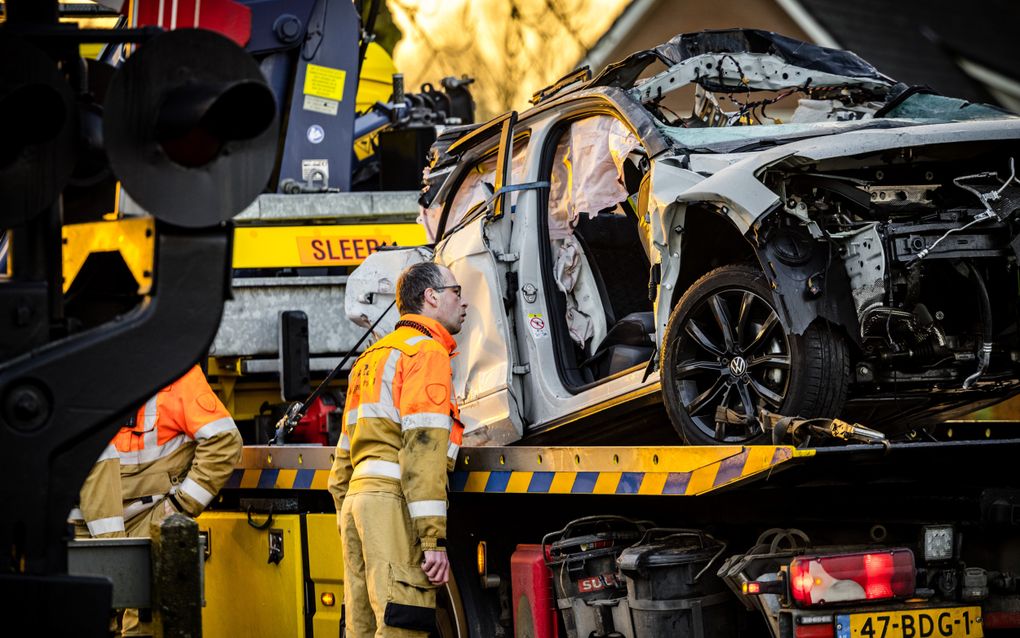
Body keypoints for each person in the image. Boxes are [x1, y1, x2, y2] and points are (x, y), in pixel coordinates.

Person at [328, 261, 467, 637]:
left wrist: (349, 518)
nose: (464, 302)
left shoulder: (370, 359)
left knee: (363, 624)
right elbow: (422, 450)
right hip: (392, 504)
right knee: (402, 621)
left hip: (359, 502)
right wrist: (432, 539)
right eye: (457, 292)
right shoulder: (426, 352)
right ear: (431, 297)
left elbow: (342, 461)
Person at [72, 364, 242, 635]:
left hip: (144, 526)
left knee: (142, 627)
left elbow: (224, 442)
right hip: (86, 531)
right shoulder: (82, 376)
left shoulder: (175, 373)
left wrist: (178, 507)